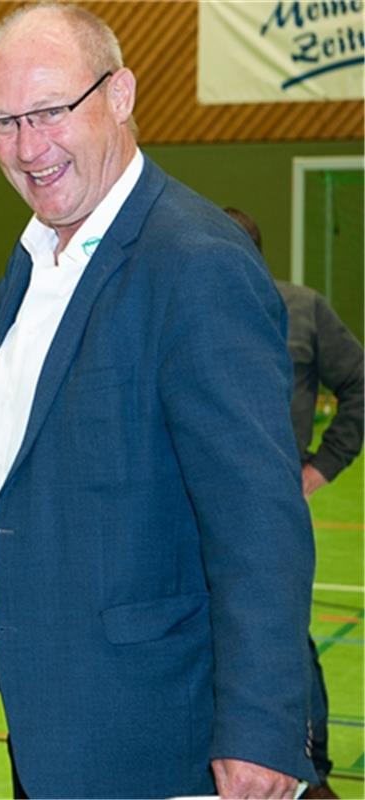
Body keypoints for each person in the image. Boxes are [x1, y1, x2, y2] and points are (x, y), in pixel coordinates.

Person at [0, 5, 315, 797]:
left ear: (119, 95)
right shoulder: (45, 254)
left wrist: (260, 727)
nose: (27, 147)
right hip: (54, 717)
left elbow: (258, 520)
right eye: (4, 122)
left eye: (51, 112)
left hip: (155, 733)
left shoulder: (194, 264)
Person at [224, 207, 363, 800]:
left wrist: (320, 466)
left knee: (282, 639)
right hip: (192, 518)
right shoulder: (181, 308)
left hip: (273, 519)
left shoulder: (302, 309)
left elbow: (359, 384)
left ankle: (312, 772)